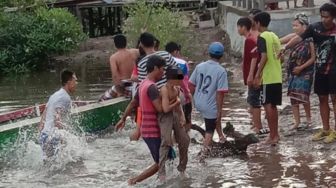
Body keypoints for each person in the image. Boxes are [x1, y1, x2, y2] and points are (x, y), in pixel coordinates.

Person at [281, 3, 336, 143]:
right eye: (322, 16)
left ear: (334, 17)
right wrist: (285, 48)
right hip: (321, 69)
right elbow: (299, 37)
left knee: (335, 100)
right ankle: (325, 129)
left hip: (334, 70)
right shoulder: (314, 28)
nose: (324, 19)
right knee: (322, 99)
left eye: (327, 17)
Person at [115, 55, 165, 185]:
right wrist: (172, 99)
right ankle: (133, 181)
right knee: (160, 162)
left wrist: (123, 118)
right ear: (155, 68)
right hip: (152, 130)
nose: (163, 72)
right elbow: (160, 108)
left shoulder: (142, 84)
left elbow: (133, 103)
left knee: (169, 157)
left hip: (146, 130)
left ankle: (163, 181)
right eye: (162, 69)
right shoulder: (152, 87)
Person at [189, 42, 228, 158]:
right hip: (209, 103)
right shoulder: (221, 71)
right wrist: (220, 110)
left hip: (198, 101)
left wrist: (190, 102)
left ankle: (221, 136)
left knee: (213, 117)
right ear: (222, 55)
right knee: (210, 130)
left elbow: (191, 84)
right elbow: (220, 93)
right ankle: (203, 155)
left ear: (208, 53)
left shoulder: (200, 66)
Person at [280, 13, 315, 130]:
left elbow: (313, 58)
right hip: (293, 72)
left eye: (296, 26)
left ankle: (309, 119)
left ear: (304, 26)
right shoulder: (295, 37)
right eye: (293, 26)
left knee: (303, 95)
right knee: (293, 96)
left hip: (306, 71)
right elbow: (283, 41)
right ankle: (297, 121)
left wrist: (301, 67)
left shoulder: (309, 38)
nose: (294, 28)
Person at [253, 12, 282, 145]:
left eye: (255, 23)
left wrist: (258, 75)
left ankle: (272, 135)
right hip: (277, 76)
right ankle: (275, 134)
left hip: (268, 77)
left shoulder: (262, 37)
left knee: (268, 106)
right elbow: (281, 57)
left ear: (258, 23)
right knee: (273, 106)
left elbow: (264, 57)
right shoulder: (274, 36)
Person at [237, 17, 268, 135]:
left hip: (254, 75)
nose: (238, 30)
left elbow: (255, 57)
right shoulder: (252, 38)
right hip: (257, 75)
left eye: (238, 27)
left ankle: (258, 127)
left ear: (243, 27)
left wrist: (251, 75)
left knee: (254, 101)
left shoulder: (249, 40)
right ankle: (256, 124)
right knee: (254, 100)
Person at [158, 66, 190, 181]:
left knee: (185, 140)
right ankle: (161, 173)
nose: (182, 81)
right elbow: (166, 109)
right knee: (166, 141)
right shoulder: (164, 89)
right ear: (171, 78)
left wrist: (182, 116)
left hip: (175, 115)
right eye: (179, 78)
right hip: (165, 117)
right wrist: (176, 102)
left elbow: (179, 105)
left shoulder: (176, 88)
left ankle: (182, 168)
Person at [39, 70, 78, 159]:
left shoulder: (54, 95)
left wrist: (41, 134)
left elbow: (43, 118)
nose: (76, 83)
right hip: (53, 137)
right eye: (75, 80)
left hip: (44, 135)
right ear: (69, 82)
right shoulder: (65, 98)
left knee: (48, 165)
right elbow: (57, 119)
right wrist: (66, 134)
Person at [99, 34, 139, 101]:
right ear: (126, 43)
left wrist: (119, 92)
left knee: (101, 100)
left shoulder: (114, 58)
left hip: (125, 86)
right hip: (136, 83)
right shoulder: (136, 52)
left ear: (115, 45)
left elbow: (115, 76)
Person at [165, 42, 193, 131]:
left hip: (166, 95)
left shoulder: (161, 61)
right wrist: (188, 93)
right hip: (180, 95)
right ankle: (185, 137)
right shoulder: (182, 63)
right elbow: (183, 81)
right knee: (186, 120)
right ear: (176, 51)